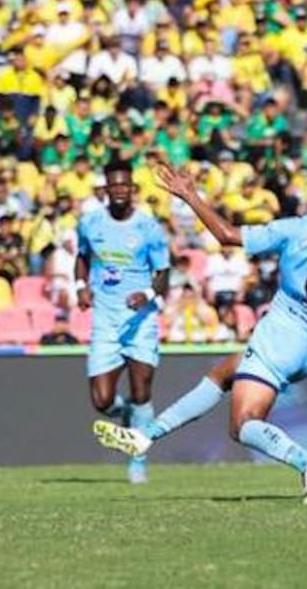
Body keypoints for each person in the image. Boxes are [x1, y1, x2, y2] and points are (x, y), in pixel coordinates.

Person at [94, 155, 307, 504]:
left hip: (282, 334)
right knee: (224, 372)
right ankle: (146, 436)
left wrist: (190, 195)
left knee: (243, 424)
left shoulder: (295, 228)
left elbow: (225, 234)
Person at [76, 160, 170, 484]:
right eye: (113, 185)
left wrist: (146, 292)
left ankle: (138, 462)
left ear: (132, 189)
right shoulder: (90, 223)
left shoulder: (149, 228)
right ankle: (128, 416)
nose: (119, 190)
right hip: (105, 318)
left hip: (140, 320)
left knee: (141, 389)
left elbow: (163, 275)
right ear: (106, 188)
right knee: (102, 400)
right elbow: (82, 257)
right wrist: (80, 287)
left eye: (124, 185)